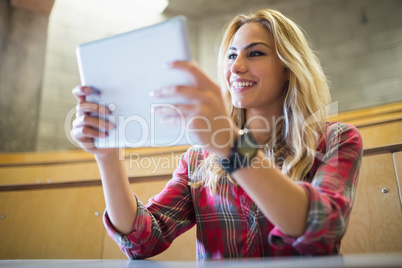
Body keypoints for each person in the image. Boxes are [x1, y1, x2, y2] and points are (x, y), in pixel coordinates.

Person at [71, 9, 363, 259]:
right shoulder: (199, 157)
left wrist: (230, 144)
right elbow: (143, 240)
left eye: (256, 53)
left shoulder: (337, 139)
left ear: (288, 67)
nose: (236, 67)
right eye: (231, 55)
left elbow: (322, 227)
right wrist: (107, 155)